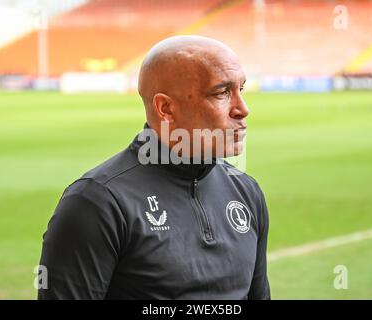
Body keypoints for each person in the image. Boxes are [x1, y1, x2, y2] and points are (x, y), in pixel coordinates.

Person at [37, 35, 270, 300]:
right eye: (222, 93)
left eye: (242, 89)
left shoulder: (246, 192)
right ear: (166, 108)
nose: (242, 109)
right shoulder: (96, 202)